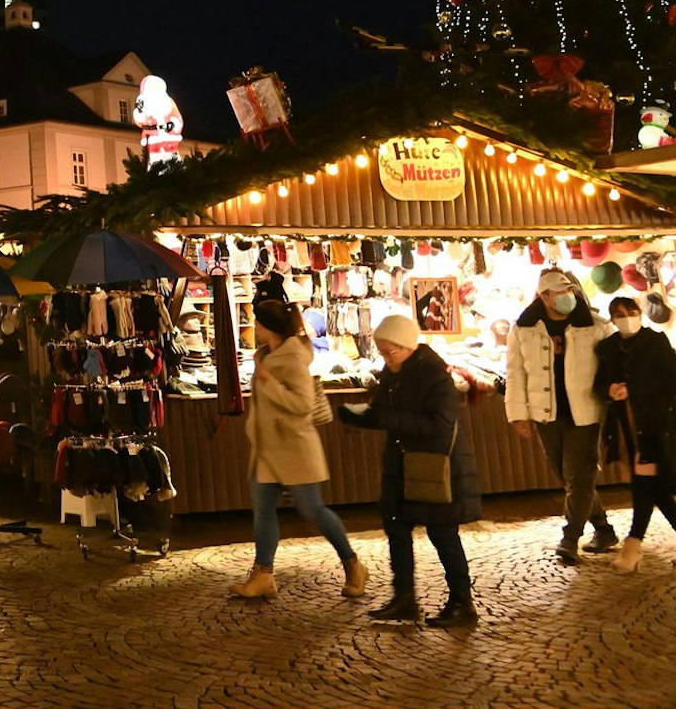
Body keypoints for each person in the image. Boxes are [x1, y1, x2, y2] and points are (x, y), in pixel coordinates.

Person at [338, 316, 481, 628]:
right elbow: (383, 410)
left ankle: (462, 603)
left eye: (391, 352)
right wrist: (360, 417)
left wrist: (388, 419)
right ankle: (404, 598)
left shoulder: (434, 374)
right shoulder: (394, 370)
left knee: (443, 533)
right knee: (396, 526)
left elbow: (439, 425)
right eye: (383, 352)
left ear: (407, 346)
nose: (387, 358)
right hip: (401, 464)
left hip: (435, 466)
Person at [230, 301, 368, 600]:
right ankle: (263, 574)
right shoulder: (266, 356)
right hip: (267, 448)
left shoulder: (291, 359)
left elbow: (302, 406)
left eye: (259, 323)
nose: (255, 328)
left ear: (270, 327)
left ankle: (353, 564)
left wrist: (269, 383)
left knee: (312, 510)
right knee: (263, 512)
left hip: (294, 448)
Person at [505, 269, 618, 563]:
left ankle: (570, 537)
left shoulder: (593, 326)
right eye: (560, 293)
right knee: (569, 477)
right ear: (544, 297)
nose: (568, 297)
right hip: (547, 413)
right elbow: (515, 373)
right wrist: (518, 413)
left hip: (585, 411)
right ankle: (603, 529)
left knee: (579, 476)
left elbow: (612, 363)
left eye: (570, 291)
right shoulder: (524, 329)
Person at [595, 295, 676, 572]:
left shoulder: (655, 342)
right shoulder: (608, 348)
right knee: (657, 488)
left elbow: (669, 381)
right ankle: (633, 546)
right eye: (619, 314)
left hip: (654, 428)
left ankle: (632, 546)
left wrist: (634, 389)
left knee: (645, 485)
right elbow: (599, 383)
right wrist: (609, 390)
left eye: (630, 311)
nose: (626, 317)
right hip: (625, 428)